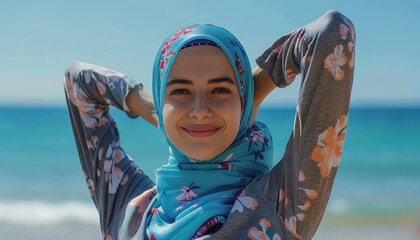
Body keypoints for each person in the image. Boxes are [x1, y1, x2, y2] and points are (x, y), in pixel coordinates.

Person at [64, 9, 355, 240]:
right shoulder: (129, 208)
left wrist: (255, 90)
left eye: (220, 90)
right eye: (179, 91)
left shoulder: (280, 208)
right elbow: (77, 82)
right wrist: (154, 110)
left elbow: (332, 34)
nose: (200, 111)